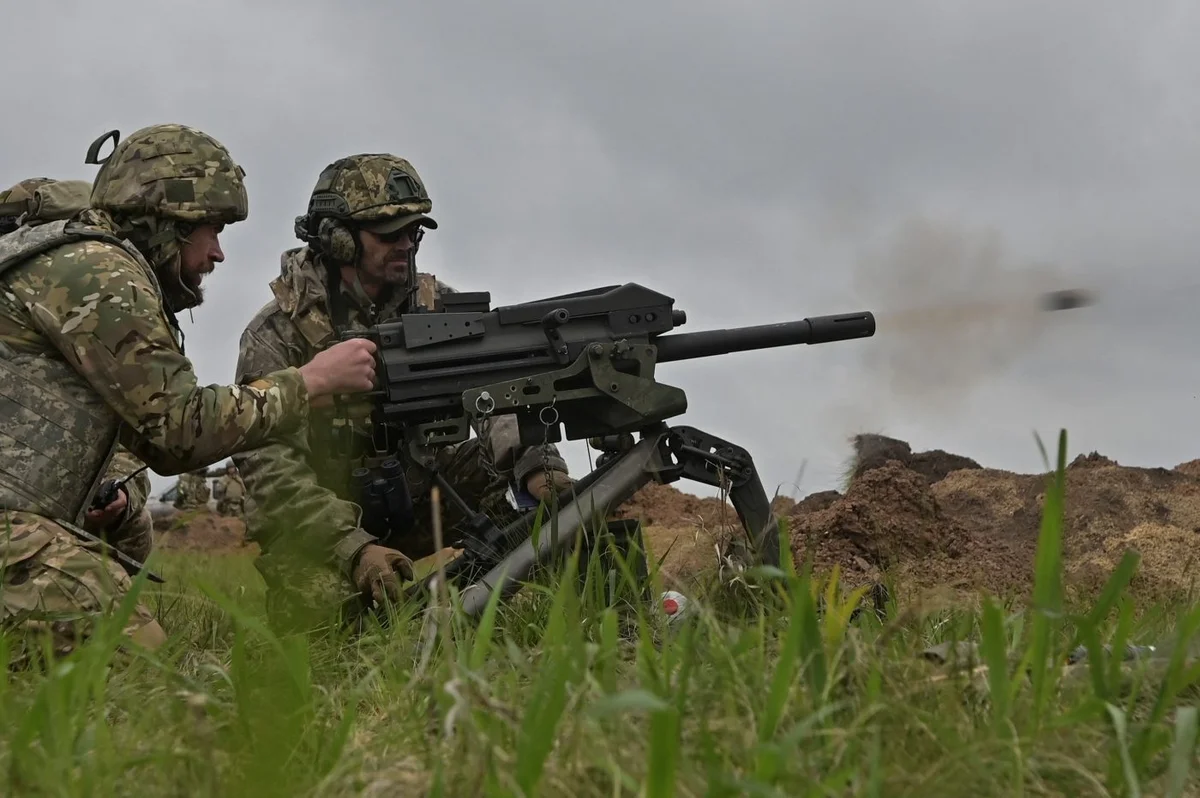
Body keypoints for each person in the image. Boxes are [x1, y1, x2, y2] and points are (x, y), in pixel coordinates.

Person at [0, 124, 379, 662]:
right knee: (156, 668)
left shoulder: (72, 258)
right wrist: (309, 382)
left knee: (127, 521)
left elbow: (142, 442)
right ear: (165, 225)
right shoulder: (98, 271)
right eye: (212, 230)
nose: (219, 254)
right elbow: (177, 431)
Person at [233, 152, 572, 628]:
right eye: (389, 233)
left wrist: (537, 467)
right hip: (322, 519)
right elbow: (270, 471)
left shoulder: (440, 310)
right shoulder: (275, 336)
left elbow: (497, 395)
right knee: (325, 632)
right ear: (339, 239)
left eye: (415, 232)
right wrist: (354, 550)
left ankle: (597, 624)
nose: (408, 245)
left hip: (426, 494)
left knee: (563, 519)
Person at [1, 177, 158, 564]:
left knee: (135, 526)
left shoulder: (97, 324)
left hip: (45, 509)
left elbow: (126, 443)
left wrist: (118, 496)